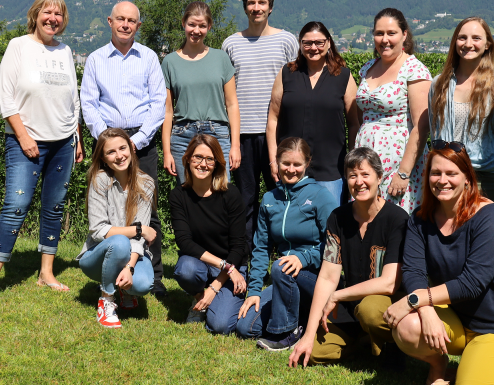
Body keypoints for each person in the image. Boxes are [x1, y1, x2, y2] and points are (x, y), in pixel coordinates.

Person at [383, 143, 494, 385]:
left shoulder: (489, 217)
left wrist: (416, 300)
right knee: (408, 326)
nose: (442, 180)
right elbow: (413, 272)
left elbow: (471, 284)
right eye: (436, 173)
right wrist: (426, 311)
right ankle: (439, 368)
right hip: (456, 320)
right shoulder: (420, 220)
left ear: (467, 178)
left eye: (451, 173)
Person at [0, 0, 84, 307]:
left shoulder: (65, 51)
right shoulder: (18, 47)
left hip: (63, 142)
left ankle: (46, 273)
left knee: (54, 208)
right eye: (47, 13)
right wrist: (22, 137)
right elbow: (4, 96)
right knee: (15, 207)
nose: (52, 19)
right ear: (35, 15)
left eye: (58, 14)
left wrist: (77, 136)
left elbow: (71, 100)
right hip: (27, 142)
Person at [288, 147, 409, 367]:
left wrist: (337, 296)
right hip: (350, 306)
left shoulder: (397, 219)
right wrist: (308, 334)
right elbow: (327, 277)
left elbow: (391, 282)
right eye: (352, 175)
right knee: (315, 353)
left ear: (379, 177)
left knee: (369, 310)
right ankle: (363, 341)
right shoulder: (338, 218)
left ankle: (393, 345)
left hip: (385, 304)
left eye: (365, 174)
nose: (359, 182)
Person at [81, 1, 168, 296]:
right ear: (110, 21)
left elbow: (159, 104)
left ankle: (153, 277)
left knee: (148, 210)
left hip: (143, 141)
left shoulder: (148, 57)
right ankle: (107, 265)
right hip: (108, 142)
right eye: (121, 19)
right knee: (107, 202)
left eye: (132, 20)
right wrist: (109, 141)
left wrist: (138, 140)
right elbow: (89, 104)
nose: (126, 24)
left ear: (138, 26)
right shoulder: (95, 59)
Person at [236, 137, 339, 349]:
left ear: (307, 164)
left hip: (317, 278)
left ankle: (287, 332)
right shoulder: (269, 199)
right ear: (276, 162)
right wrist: (254, 290)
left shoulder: (321, 196)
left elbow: (335, 245)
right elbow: (261, 247)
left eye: (297, 164)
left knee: (281, 267)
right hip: (284, 280)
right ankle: (301, 317)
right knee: (246, 328)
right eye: (286, 163)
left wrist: (303, 257)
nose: (291, 169)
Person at [222, 0, 299, 253]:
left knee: (283, 198)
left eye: (261, 2)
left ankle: (285, 259)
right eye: (251, 3)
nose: (256, 7)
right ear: (244, 7)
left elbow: (296, 83)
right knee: (245, 202)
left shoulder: (287, 40)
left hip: (279, 135)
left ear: (270, 7)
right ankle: (246, 261)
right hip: (242, 135)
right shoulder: (231, 43)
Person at [266, 21, 359, 204]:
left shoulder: (344, 77)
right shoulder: (287, 73)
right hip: (291, 170)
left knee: (331, 228)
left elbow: (354, 123)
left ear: (329, 43)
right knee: (291, 226)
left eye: (319, 42)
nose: (313, 48)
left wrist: (352, 162)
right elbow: (272, 120)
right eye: (307, 43)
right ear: (300, 44)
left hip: (331, 171)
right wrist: (273, 160)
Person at [354, 7, 432, 214]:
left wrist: (403, 174)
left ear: (404, 35)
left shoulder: (414, 70)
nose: (385, 39)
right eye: (379, 33)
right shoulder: (368, 67)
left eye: (391, 33)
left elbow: (421, 127)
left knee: (394, 222)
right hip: (365, 158)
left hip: (398, 162)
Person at [76, 128, 156, 328]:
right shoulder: (99, 180)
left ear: (132, 148)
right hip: (96, 255)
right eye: (111, 152)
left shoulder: (146, 183)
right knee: (120, 242)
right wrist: (139, 229)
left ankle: (125, 288)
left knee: (143, 284)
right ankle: (107, 300)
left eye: (123, 148)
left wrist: (129, 267)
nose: (119, 156)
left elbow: (139, 240)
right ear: (103, 158)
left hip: (132, 253)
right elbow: (98, 230)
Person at [169, 134, 248, 335]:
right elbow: (184, 242)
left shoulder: (231, 194)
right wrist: (225, 266)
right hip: (202, 265)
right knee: (185, 269)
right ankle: (198, 299)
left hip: (233, 265)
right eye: (197, 157)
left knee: (220, 326)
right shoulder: (179, 195)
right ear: (187, 159)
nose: (203, 164)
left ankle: (217, 299)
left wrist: (217, 285)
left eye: (209, 159)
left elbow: (239, 246)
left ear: (217, 164)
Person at [427, 17, 494, 201]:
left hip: (486, 176)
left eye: (476, 38)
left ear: (488, 44)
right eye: (462, 37)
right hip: (446, 176)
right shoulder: (439, 84)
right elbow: (435, 132)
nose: (468, 44)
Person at [162, 1, 241, 183]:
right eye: (192, 24)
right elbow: (167, 111)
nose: (196, 30)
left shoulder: (221, 58)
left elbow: (232, 103)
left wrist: (235, 145)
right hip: (183, 136)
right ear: (183, 23)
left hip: (218, 134)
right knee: (188, 195)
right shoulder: (170, 62)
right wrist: (167, 152)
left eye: (202, 26)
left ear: (209, 27)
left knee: (221, 192)